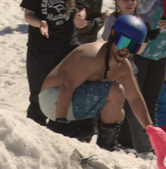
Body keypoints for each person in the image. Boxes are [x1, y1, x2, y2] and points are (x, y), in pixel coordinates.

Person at [39, 14, 156, 150]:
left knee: (119, 114)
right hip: (53, 97)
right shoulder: (93, 55)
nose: (126, 49)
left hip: (67, 102)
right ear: (113, 35)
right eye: (123, 42)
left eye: (133, 46)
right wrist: (61, 123)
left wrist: (151, 130)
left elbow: (135, 98)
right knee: (116, 91)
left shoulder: (123, 66)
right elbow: (67, 86)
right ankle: (106, 148)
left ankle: (85, 144)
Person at [118, 0, 166, 154]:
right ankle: (126, 141)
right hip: (140, 53)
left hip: (160, 56)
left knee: (151, 101)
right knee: (134, 98)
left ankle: (150, 142)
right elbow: (141, 9)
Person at [22, 0, 82, 125]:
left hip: (68, 45)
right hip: (41, 48)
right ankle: (34, 131)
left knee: (68, 91)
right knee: (40, 95)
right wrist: (40, 23)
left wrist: (80, 17)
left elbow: (82, 7)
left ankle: (60, 129)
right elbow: (28, 14)